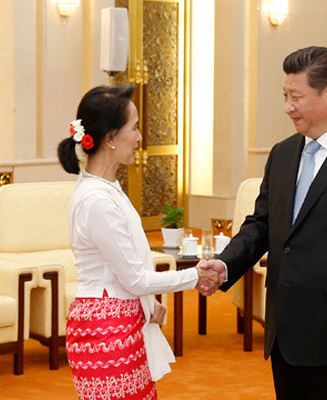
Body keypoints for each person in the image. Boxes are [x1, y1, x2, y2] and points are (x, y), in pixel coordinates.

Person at [199, 46, 327, 399]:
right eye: (284, 95)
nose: (287, 106)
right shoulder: (283, 153)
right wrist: (225, 263)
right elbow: (261, 224)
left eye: (295, 96)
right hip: (286, 332)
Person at [57, 85, 222, 400]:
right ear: (110, 138)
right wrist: (196, 275)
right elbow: (134, 279)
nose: (139, 137)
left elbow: (125, 272)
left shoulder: (106, 190)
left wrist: (148, 304)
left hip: (118, 321)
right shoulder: (98, 200)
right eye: (134, 128)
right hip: (106, 331)